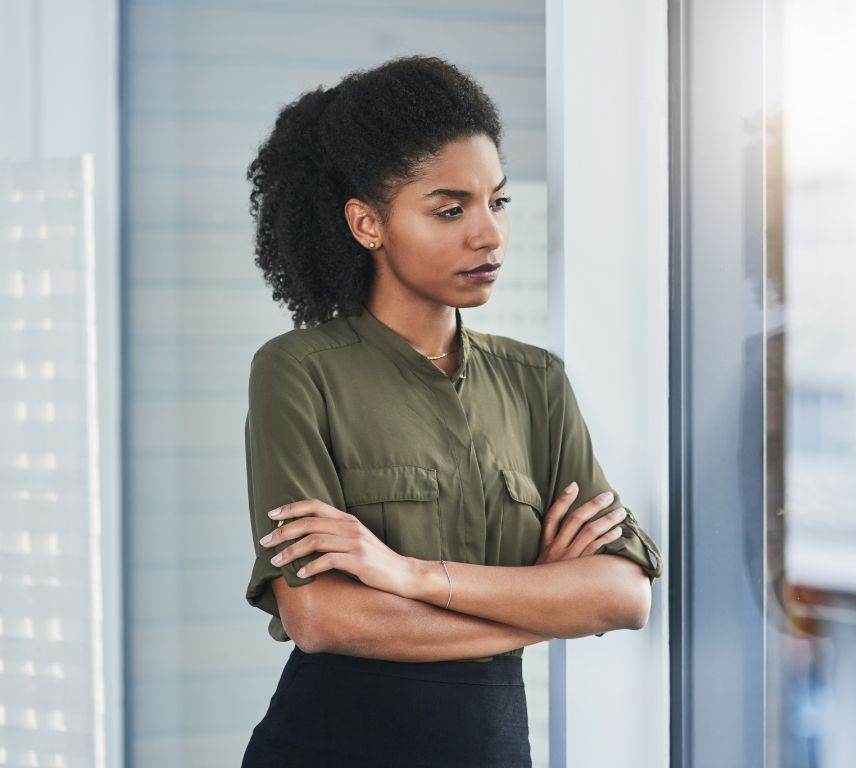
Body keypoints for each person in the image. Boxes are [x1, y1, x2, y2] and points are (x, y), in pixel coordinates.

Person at [239, 54, 664, 767]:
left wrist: (404, 575)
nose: (489, 235)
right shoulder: (296, 373)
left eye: (497, 202)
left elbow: (622, 596)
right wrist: (539, 603)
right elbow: (319, 616)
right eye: (450, 209)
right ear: (368, 223)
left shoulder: (537, 384)